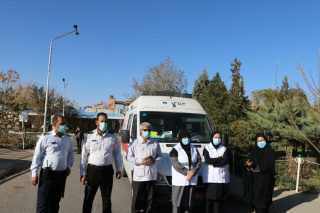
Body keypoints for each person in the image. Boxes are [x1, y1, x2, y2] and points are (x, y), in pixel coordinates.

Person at [30, 114, 74, 213]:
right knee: (43, 204)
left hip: (61, 176)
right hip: (47, 176)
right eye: (62, 123)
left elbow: (71, 153)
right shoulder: (45, 137)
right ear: (54, 124)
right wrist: (34, 174)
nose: (64, 126)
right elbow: (37, 156)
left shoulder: (66, 138)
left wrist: (69, 166)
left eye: (65, 123)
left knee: (55, 204)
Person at [80, 112, 122, 213]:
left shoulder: (112, 136)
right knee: (89, 198)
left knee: (107, 199)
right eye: (102, 121)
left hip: (107, 170)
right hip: (93, 171)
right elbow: (84, 156)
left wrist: (119, 169)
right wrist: (83, 173)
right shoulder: (89, 136)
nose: (104, 123)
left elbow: (117, 153)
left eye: (106, 121)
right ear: (96, 122)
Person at [126, 122, 162, 213]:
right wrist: (141, 161)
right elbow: (128, 157)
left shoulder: (155, 142)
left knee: (150, 199)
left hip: (151, 175)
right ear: (140, 131)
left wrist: (155, 161)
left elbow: (160, 156)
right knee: (137, 199)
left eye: (149, 130)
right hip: (139, 176)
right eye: (145, 130)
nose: (147, 132)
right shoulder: (135, 143)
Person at [170, 130, 202, 213]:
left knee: (189, 203)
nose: (186, 139)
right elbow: (175, 164)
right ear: (180, 138)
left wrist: (193, 172)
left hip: (191, 179)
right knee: (177, 203)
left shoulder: (194, 148)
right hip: (180, 180)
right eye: (184, 137)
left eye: (188, 137)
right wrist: (187, 172)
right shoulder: (175, 149)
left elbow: (199, 161)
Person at [242, 134, 276, 213]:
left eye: (262, 141)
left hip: (265, 181)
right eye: (258, 141)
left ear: (266, 141)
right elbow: (248, 162)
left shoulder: (269, 152)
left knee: (263, 204)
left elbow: (266, 167)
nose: (260, 142)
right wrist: (247, 165)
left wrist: (253, 167)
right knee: (257, 203)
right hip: (255, 182)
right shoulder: (254, 151)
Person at [202, 131, 229, 213]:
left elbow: (225, 161)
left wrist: (214, 164)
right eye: (215, 137)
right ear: (211, 138)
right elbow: (207, 160)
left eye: (219, 137)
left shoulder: (224, 148)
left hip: (220, 178)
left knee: (218, 200)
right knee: (208, 200)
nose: (217, 139)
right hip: (210, 178)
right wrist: (219, 158)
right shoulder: (207, 148)